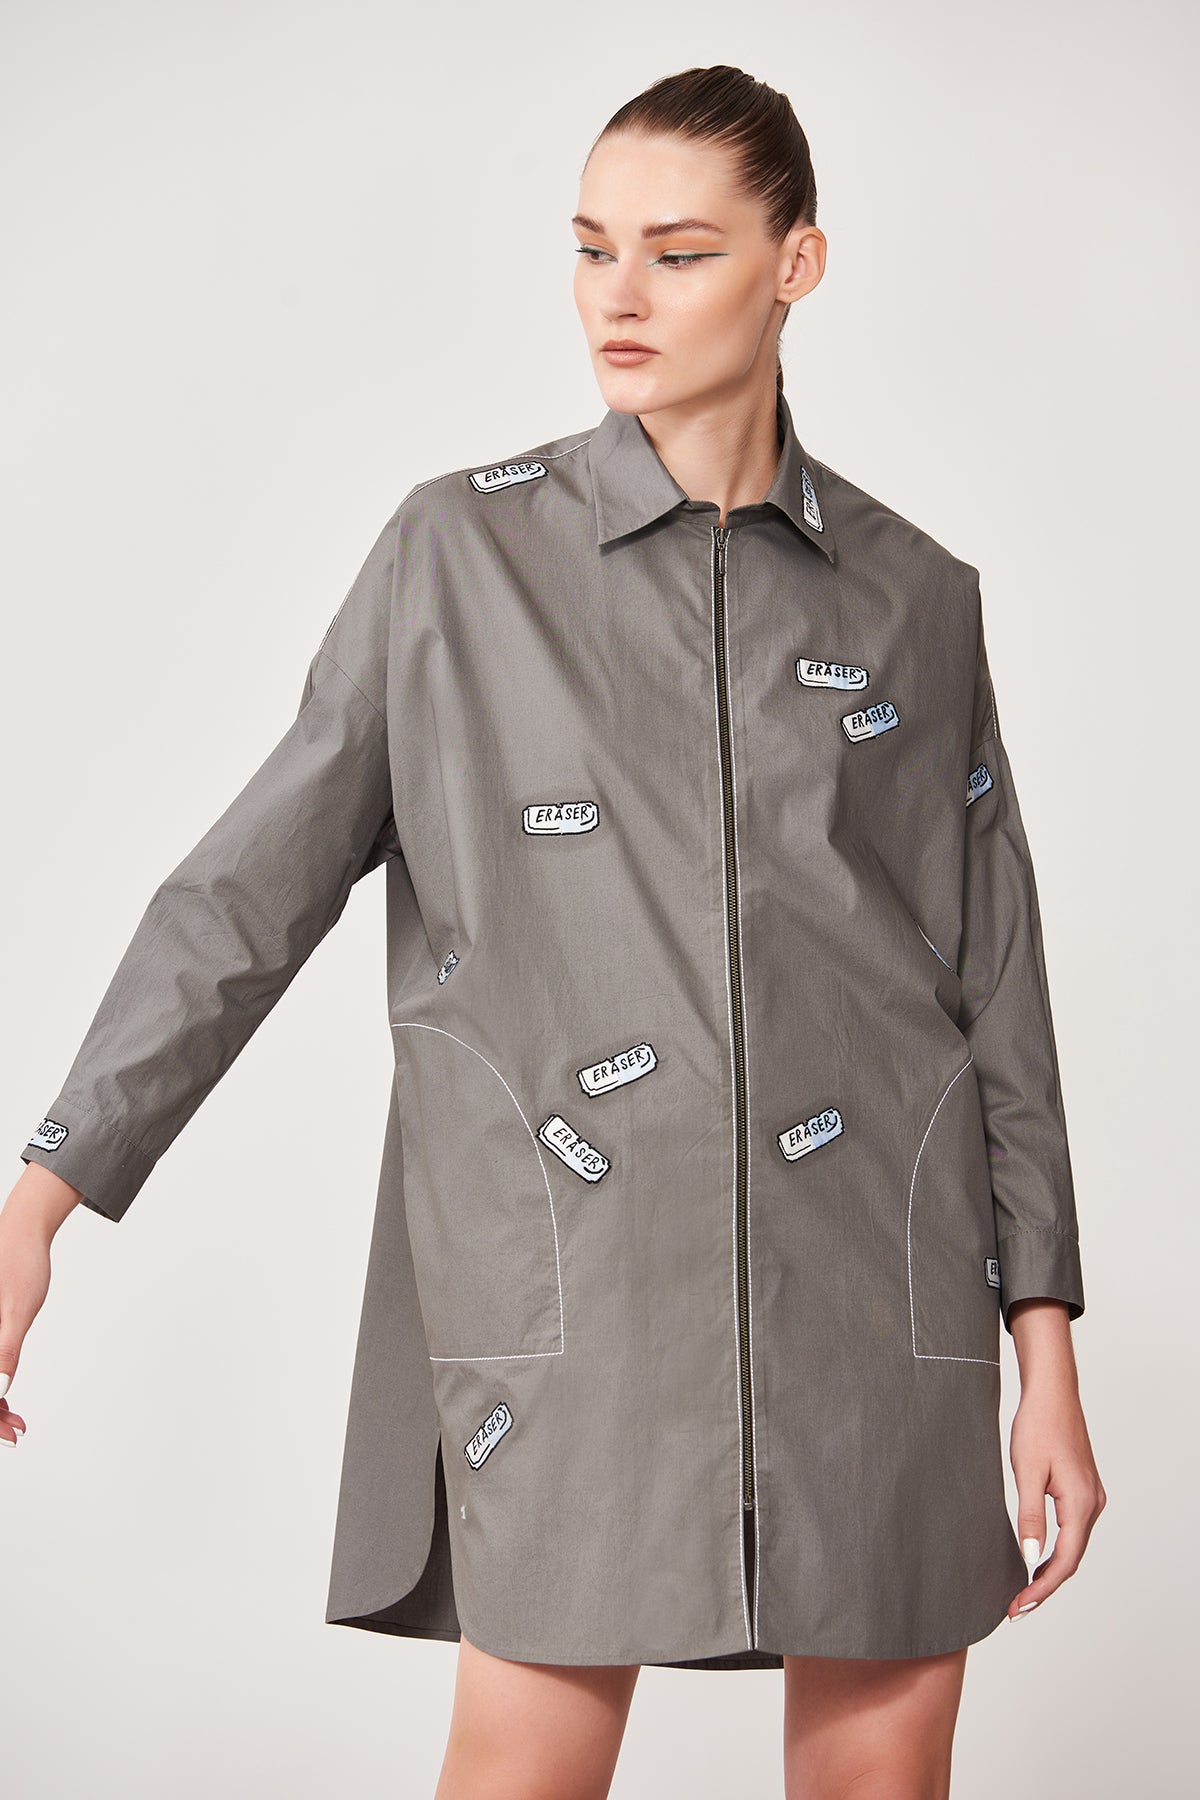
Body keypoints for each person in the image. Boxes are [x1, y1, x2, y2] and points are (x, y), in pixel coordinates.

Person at [2, 63, 1104, 1800]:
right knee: (523, 1772)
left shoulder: (919, 597)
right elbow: (245, 893)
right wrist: (43, 1198)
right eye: (593, 248)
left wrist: (1045, 1352)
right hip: (580, 1288)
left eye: (680, 251)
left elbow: (992, 988)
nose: (619, 294)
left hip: (881, 1294)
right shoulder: (459, 558)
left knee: (882, 1782)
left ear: (797, 264)